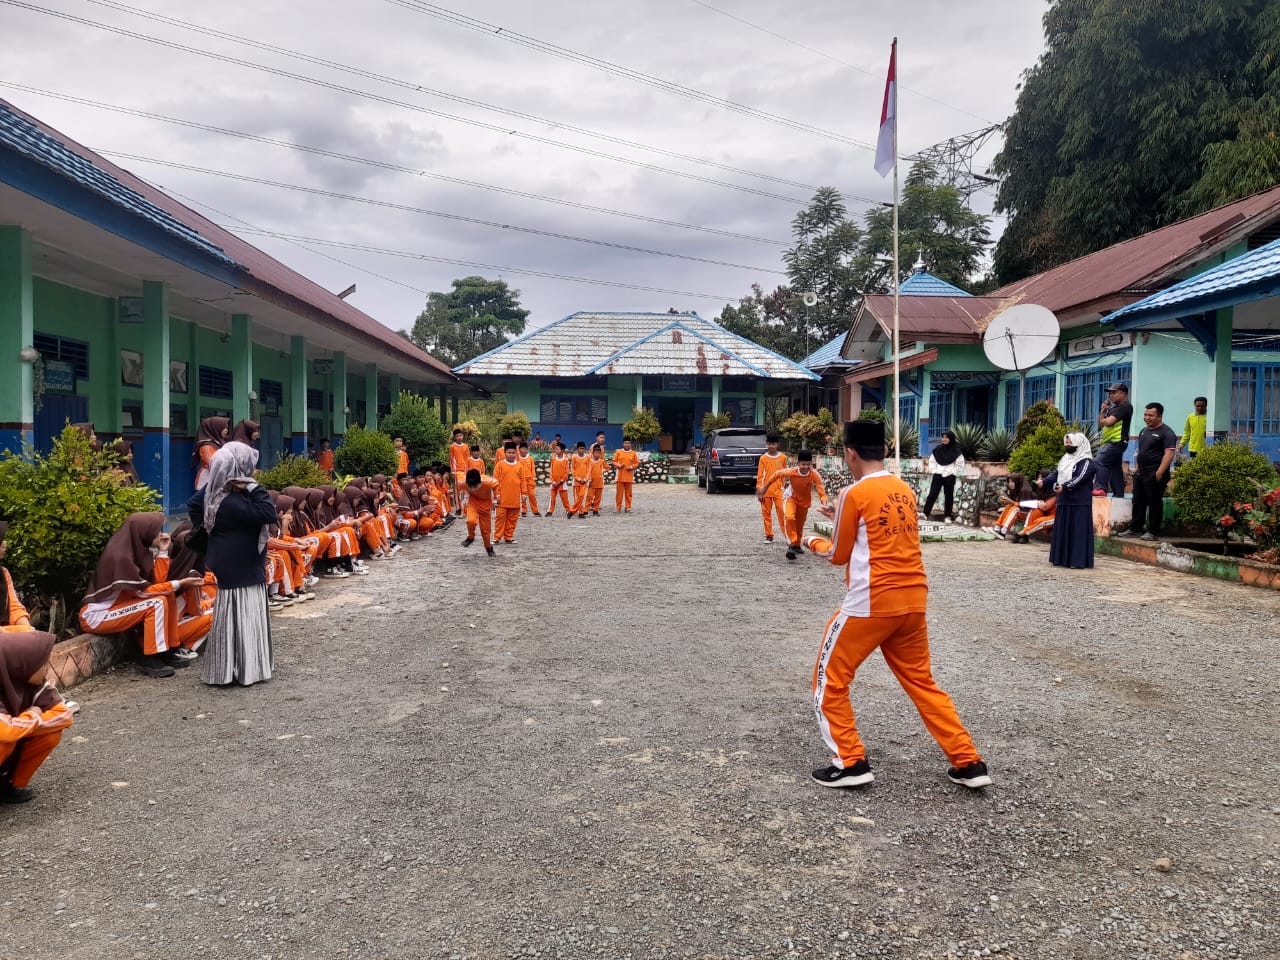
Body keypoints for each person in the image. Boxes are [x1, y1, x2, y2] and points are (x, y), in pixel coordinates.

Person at [806, 419, 990, 790]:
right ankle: (968, 762)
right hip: (913, 601)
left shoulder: (853, 494)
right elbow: (880, 533)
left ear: (850, 453)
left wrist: (814, 542)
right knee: (922, 682)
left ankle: (850, 761)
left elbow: (839, 555)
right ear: (886, 451)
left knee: (829, 681)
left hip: (871, 603)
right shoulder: (903, 489)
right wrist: (839, 518)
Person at [189, 441, 279, 686]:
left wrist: (213, 535)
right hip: (242, 563)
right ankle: (245, 668)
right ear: (239, 468)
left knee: (231, 613)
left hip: (226, 559)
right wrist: (253, 486)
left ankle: (226, 666)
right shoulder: (232, 501)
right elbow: (268, 514)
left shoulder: (214, 495)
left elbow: (194, 504)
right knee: (245, 612)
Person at [80, 513, 206, 678]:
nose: (161, 535)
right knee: (157, 602)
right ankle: (149, 657)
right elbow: (143, 592)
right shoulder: (120, 557)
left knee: (165, 595)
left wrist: (162, 553)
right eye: (156, 531)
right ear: (143, 532)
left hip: (117, 609)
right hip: (97, 616)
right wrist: (179, 584)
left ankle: (168, 648)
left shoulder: (139, 551)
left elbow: (156, 584)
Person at [0, 631, 74, 803]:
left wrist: (23, 725)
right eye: (43, 663)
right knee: (4, 742)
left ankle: (7, 786)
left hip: (16, 727)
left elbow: (64, 715)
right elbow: (6, 732)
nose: (47, 668)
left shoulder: (32, 682)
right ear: (22, 663)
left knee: (50, 735)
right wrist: (33, 714)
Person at [756, 450, 829, 560]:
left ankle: (797, 545)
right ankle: (792, 543)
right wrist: (764, 488)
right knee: (790, 517)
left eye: (808, 464)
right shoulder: (791, 471)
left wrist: (824, 501)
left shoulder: (814, 474)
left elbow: (820, 488)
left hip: (804, 503)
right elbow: (776, 475)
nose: (805, 467)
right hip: (790, 499)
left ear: (811, 464)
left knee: (799, 525)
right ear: (798, 464)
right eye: (803, 464)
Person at [1121, 402, 1177, 542]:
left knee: (1154, 502)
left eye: (1150, 415)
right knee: (1138, 500)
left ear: (1159, 416)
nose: (1147, 418)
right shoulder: (1143, 431)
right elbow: (1141, 451)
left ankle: (1152, 531)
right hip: (1141, 473)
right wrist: (1138, 469)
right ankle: (1135, 529)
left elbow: (1169, 454)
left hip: (1155, 473)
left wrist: (1159, 473)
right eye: (1145, 415)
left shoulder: (1167, 433)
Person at [1045, 431, 1097, 569]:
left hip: (1079, 502)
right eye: (1066, 442)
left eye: (1070, 442)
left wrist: (1065, 486)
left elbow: (1080, 478)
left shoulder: (1087, 462)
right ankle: (1061, 559)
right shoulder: (1065, 459)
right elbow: (1057, 474)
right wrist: (1044, 482)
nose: (1067, 445)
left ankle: (1077, 561)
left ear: (1079, 444)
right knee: (1063, 530)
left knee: (1078, 532)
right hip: (1064, 501)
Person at [984, 473, 1055, 543]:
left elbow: (1033, 506)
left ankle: (1008, 532)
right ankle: (998, 528)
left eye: (1042, 479)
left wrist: (1012, 502)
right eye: (1038, 478)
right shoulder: (1040, 489)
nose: (1039, 480)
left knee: (1016, 509)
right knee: (1012, 507)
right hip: (1037, 511)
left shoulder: (1026, 490)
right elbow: (1035, 504)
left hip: (1047, 514)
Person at [1095, 382, 1132, 498]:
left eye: (1114, 393)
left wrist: (1104, 420)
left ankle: (1100, 488)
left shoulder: (1125, 406)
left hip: (1116, 442)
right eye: (1110, 393)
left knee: (1099, 462)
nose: (1111, 395)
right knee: (1115, 469)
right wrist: (1103, 410)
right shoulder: (1114, 408)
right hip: (1112, 442)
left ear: (1123, 394)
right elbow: (1100, 423)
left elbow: (1109, 422)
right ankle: (1118, 494)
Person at [920, 430, 965, 523]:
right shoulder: (937, 449)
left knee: (948, 496)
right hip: (938, 475)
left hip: (949, 477)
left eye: (946, 437)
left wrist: (952, 473)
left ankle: (947, 516)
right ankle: (925, 514)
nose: (944, 439)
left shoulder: (956, 451)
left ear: (951, 439)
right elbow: (932, 461)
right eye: (943, 437)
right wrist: (935, 471)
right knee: (932, 494)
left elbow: (960, 465)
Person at [755, 435, 788, 543]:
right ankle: (769, 535)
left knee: (782, 513)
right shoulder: (763, 458)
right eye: (769, 444)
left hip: (779, 491)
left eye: (773, 444)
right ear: (766, 444)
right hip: (766, 491)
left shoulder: (783, 457)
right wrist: (759, 490)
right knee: (766, 514)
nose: (771, 446)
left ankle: (787, 534)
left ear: (777, 444)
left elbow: (785, 473)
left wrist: (785, 488)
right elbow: (760, 475)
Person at [460, 469, 499, 557]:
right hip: (473, 503)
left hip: (486, 505)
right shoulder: (463, 483)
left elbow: (497, 485)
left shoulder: (489, 482)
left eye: (475, 486)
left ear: (480, 482)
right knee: (470, 521)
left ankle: (488, 547)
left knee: (485, 531)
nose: (473, 489)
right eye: (471, 487)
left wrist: (496, 499)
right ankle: (470, 537)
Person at [493, 443, 523, 544]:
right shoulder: (500, 465)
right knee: (500, 518)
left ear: (516, 453)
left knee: (512, 518)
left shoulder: (519, 465)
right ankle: (497, 537)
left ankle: (509, 537)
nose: (511, 454)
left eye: (513, 452)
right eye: (509, 452)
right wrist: (496, 494)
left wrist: (524, 494)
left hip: (515, 497)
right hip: (502, 498)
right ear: (504, 453)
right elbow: (495, 481)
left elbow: (522, 481)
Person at [192, 416, 230, 490]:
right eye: (223, 428)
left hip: (216, 483)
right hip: (206, 483)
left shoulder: (219, 443)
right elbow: (213, 465)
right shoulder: (207, 446)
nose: (226, 430)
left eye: (227, 428)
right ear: (215, 428)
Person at [611, 438, 640, 513]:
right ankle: (618, 507)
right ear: (623, 444)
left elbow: (637, 463)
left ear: (630, 444)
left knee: (628, 493)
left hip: (629, 476)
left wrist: (631, 467)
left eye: (628, 443)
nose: (627, 444)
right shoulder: (618, 452)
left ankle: (628, 507)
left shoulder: (633, 453)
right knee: (619, 494)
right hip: (620, 477)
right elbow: (614, 461)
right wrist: (619, 465)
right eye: (625, 443)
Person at [546, 441, 572, 516]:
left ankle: (568, 510)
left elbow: (566, 473)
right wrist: (552, 481)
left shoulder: (566, 460)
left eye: (558, 449)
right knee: (552, 498)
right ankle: (550, 511)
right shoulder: (553, 459)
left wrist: (560, 481)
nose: (556, 450)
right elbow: (551, 470)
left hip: (562, 483)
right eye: (555, 449)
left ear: (562, 450)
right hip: (554, 483)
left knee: (564, 498)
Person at [449, 430, 470, 516]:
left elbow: (468, 459)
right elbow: (451, 459)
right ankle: (458, 508)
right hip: (456, 471)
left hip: (465, 471)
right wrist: (452, 471)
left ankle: (465, 507)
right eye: (457, 436)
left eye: (461, 435)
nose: (459, 437)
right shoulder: (452, 447)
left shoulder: (466, 446)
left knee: (465, 490)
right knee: (457, 490)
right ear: (454, 437)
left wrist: (468, 471)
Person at [517, 441, 541, 516]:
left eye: (525, 449)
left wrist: (533, 477)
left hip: (529, 479)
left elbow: (533, 468)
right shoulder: (517, 458)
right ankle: (524, 511)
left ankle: (535, 511)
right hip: (521, 480)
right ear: (519, 449)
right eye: (522, 449)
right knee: (523, 495)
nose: (524, 450)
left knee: (532, 495)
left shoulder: (530, 458)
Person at [570, 442, 591, 517]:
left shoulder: (587, 457)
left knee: (582, 496)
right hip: (577, 481)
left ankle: (572, 511)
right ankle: (581, 512)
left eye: (583, 448)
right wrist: (578, 478)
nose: (582, 450)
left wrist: (585, 479)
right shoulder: (574, 457)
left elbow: (589, 469)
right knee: (577, 497)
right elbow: (572, 469)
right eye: (580, 448)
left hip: (584, 481)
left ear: (585, 449)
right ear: (577, 449)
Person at [586, 443, 607, 516]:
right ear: (593, 453)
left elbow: (607, 467)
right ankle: (586, 509)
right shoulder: (590, 462)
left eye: (599, 453)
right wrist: (589, 480)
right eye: (596, 453)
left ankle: (596, 510)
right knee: (589, 496)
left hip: (600, 482)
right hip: (592, 482)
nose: (598, 454)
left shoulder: (602, 461)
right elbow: (588, 471)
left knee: (598, 497)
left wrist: (603, 470)